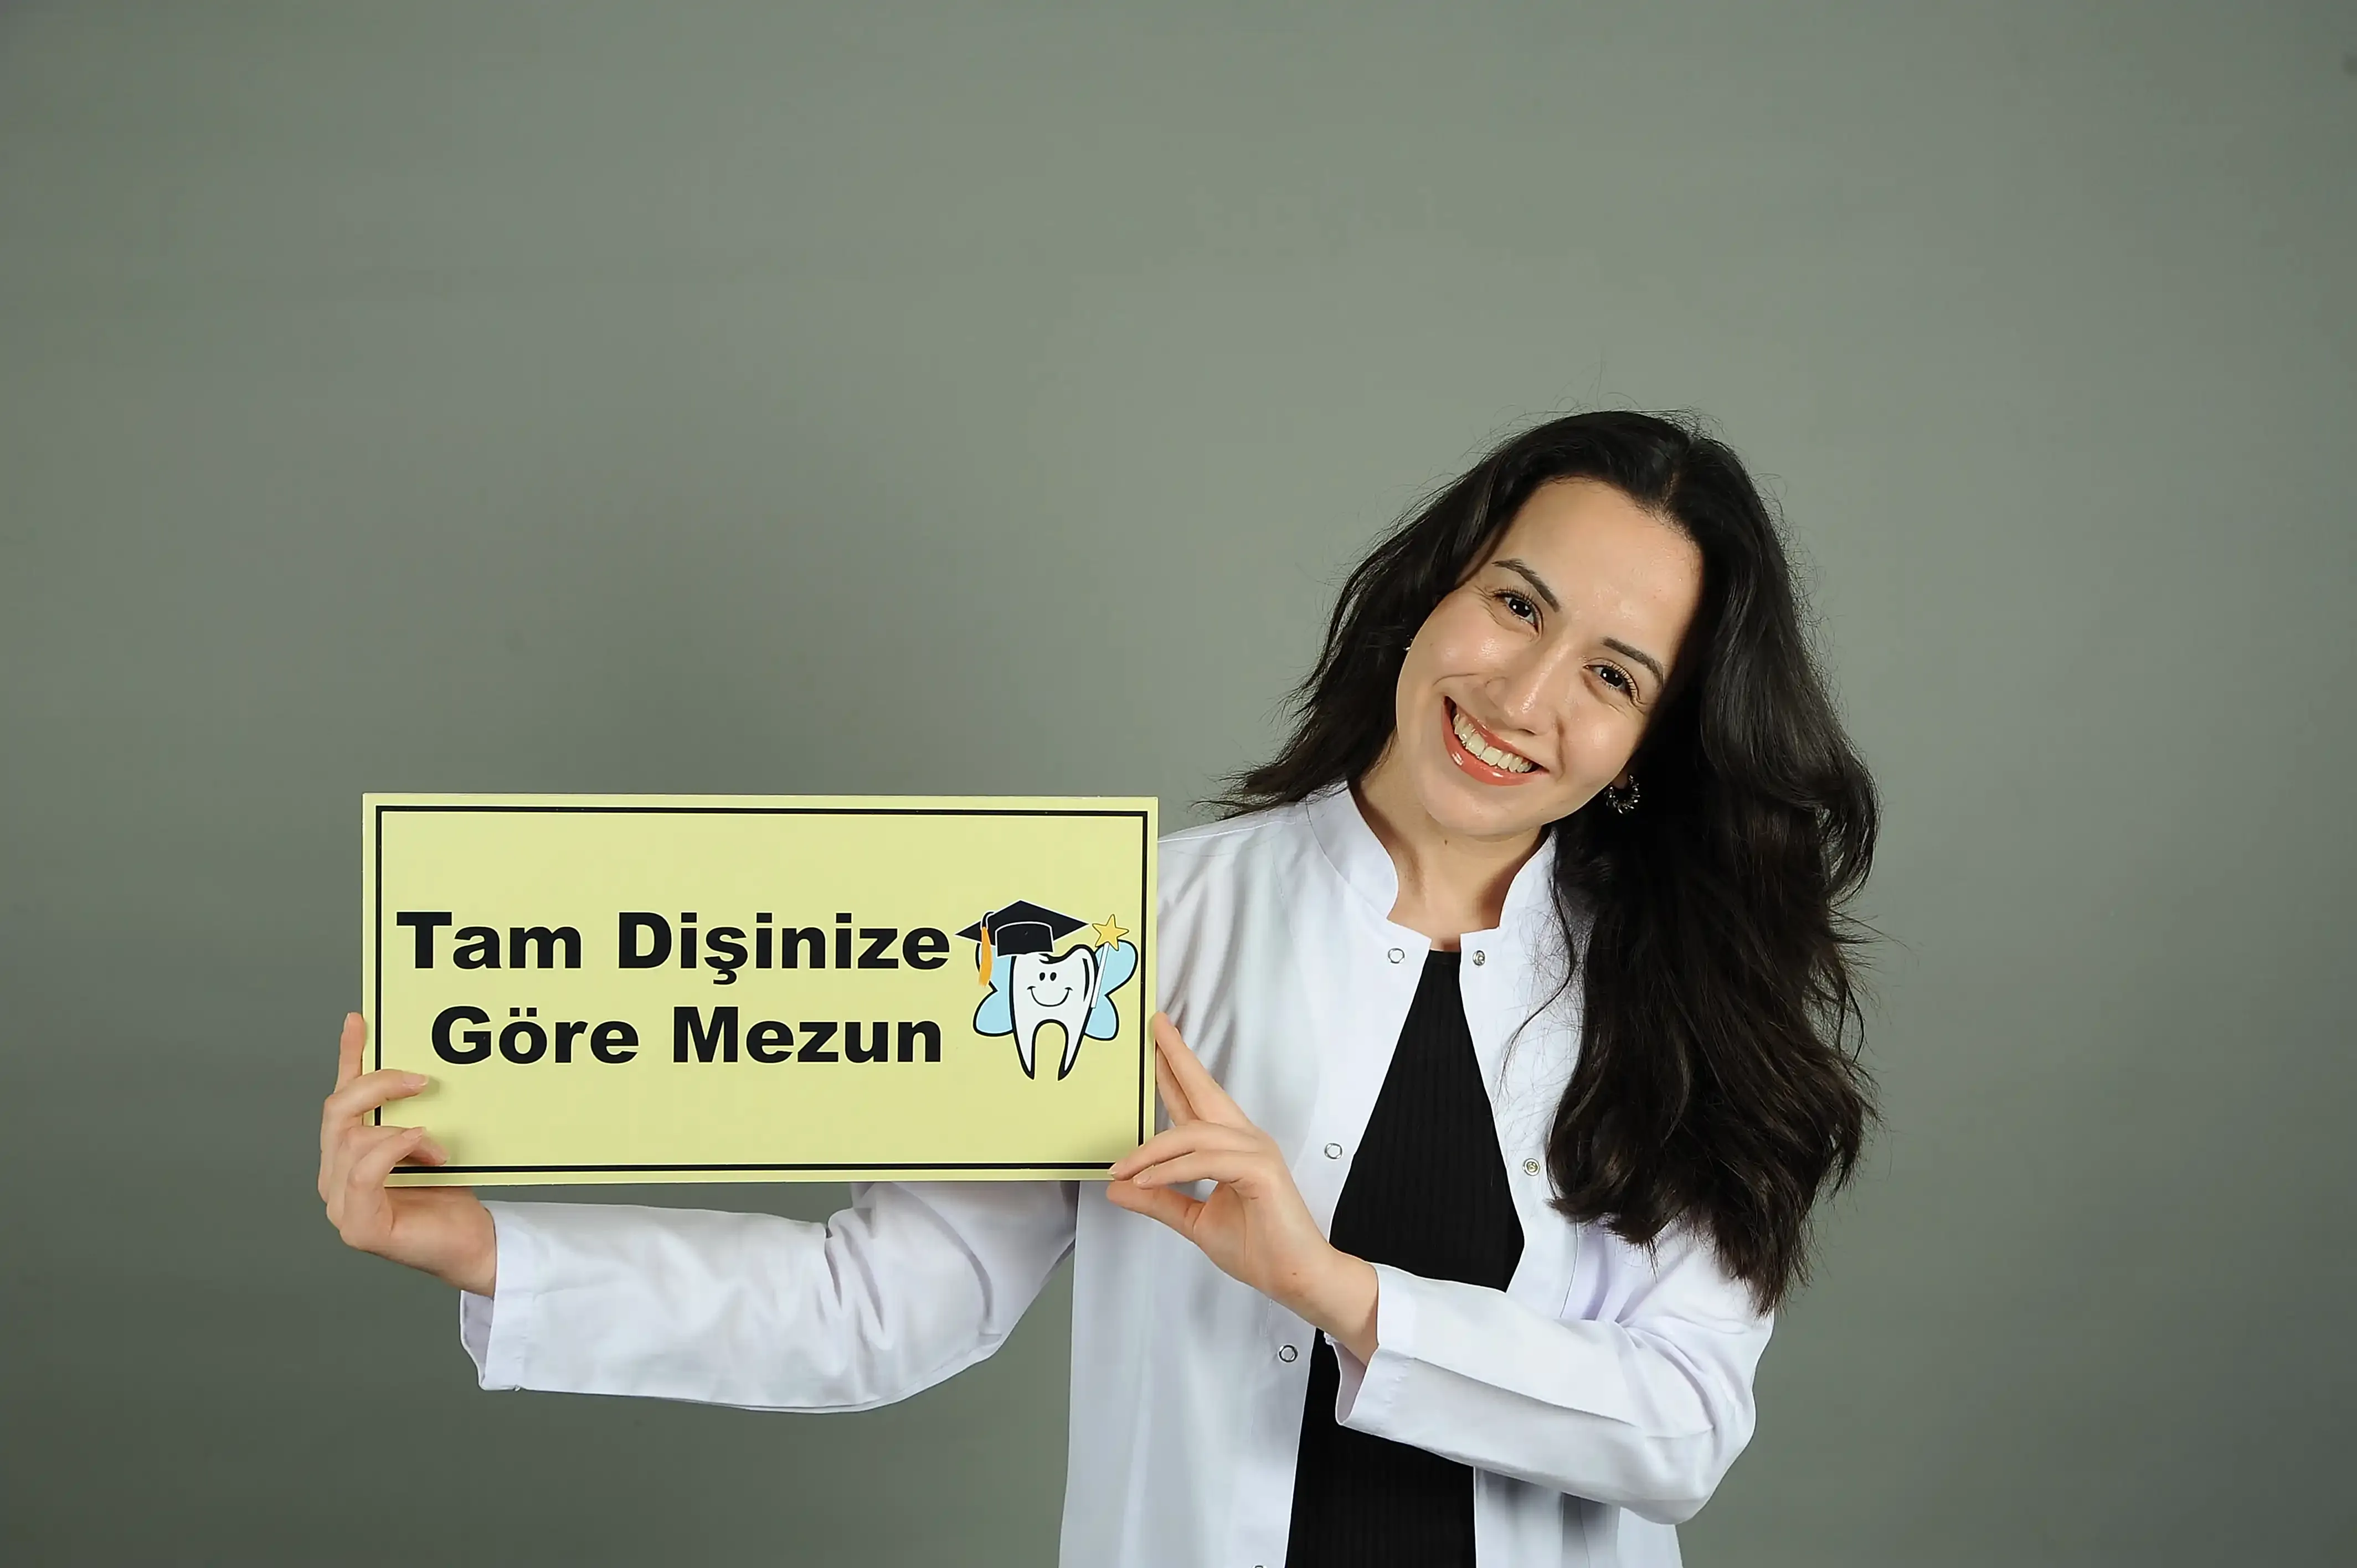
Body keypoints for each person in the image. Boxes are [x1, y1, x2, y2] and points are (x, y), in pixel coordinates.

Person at [318, 409, 1879, 1567]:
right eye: (1518, 605)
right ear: (1433, 592)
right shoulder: (1122, 929)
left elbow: (1680, 1428)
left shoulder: (1684, 1011)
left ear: (1651, 745)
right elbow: (887, 1303)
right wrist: (490, 1252)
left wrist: (1326, 1285)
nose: (1526, 695)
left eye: (1613, 674)